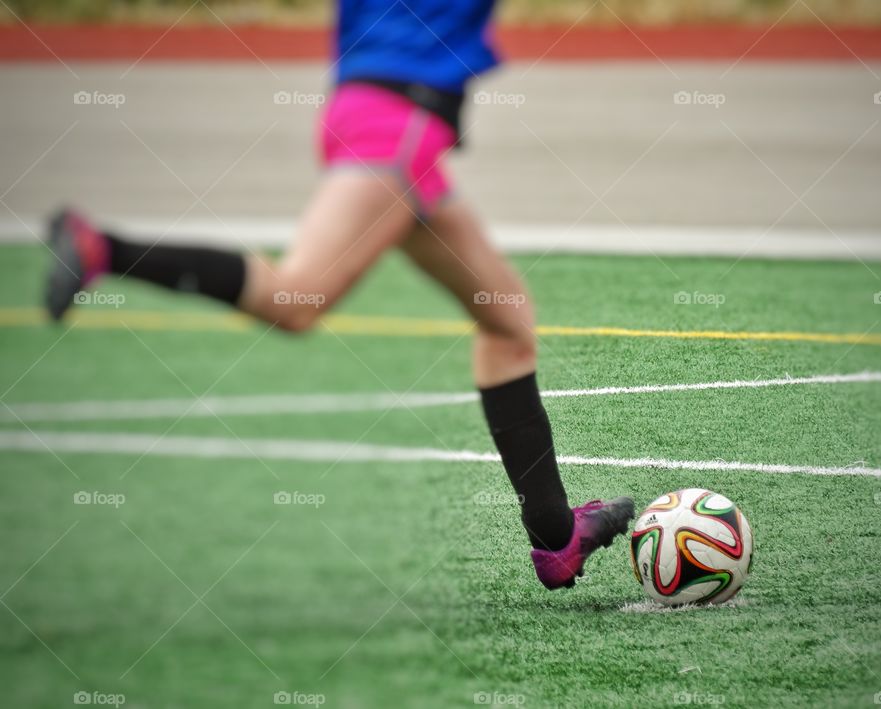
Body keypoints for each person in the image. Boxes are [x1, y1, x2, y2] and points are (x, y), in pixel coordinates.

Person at [44, 0, 634, 590]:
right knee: (297, 299)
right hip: (397, 122)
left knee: (506, 318)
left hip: (379, 117)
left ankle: (557, 538)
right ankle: (103, 249)